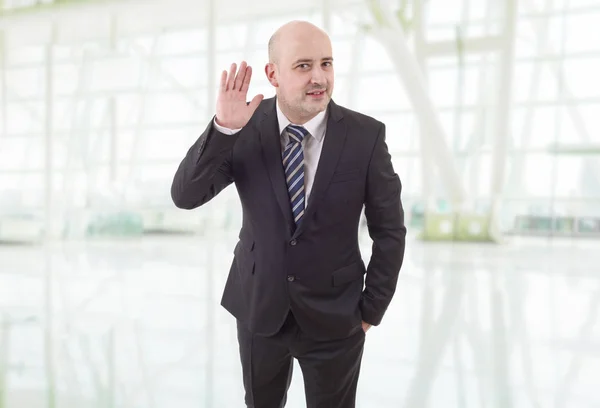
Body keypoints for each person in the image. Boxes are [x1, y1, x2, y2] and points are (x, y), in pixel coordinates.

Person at [171, 20, 406, 408]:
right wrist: (223, 130)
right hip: (258, 309)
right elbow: (186, 196)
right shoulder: (243, 125)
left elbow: (390, 231)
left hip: (337, 317)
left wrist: (371, 310)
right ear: (273, 74)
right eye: (303, 66)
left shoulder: (366, 137)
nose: (319, 77)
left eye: (326, 64)